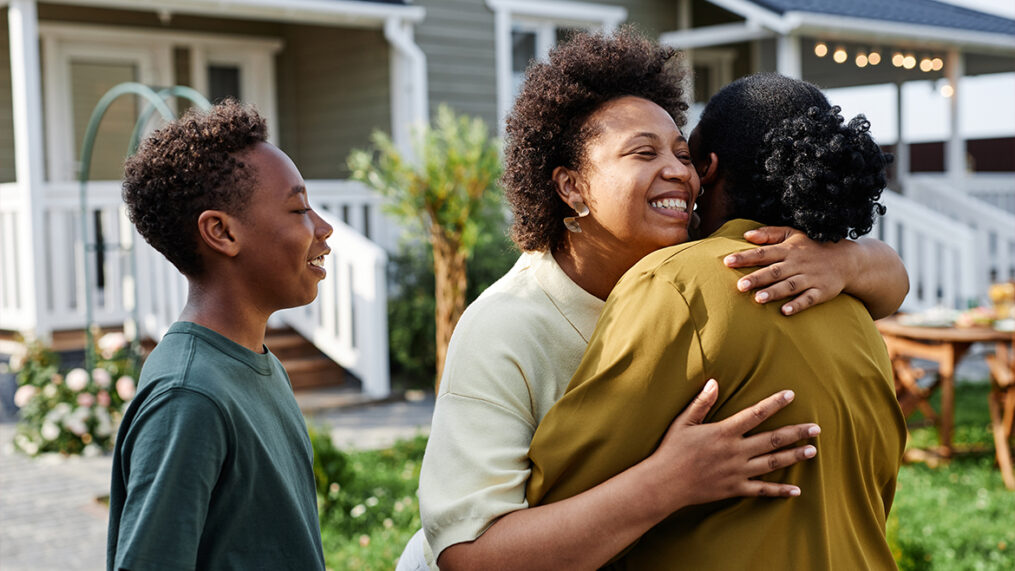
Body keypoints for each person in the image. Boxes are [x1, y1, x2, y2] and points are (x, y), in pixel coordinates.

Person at [412, 31, 909, 571]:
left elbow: (891, 281)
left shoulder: (729, 273)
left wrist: (848, 260)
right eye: (643, 152)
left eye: (682, 153)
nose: (680, 172)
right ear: (572, 187)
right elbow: (468, 554)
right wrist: (669, 481)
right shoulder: (505, 324)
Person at [106, 101, 331, 570]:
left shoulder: (258, 365)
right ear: (221, 232)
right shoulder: (189, 398)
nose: (323, 229)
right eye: (298, 209)